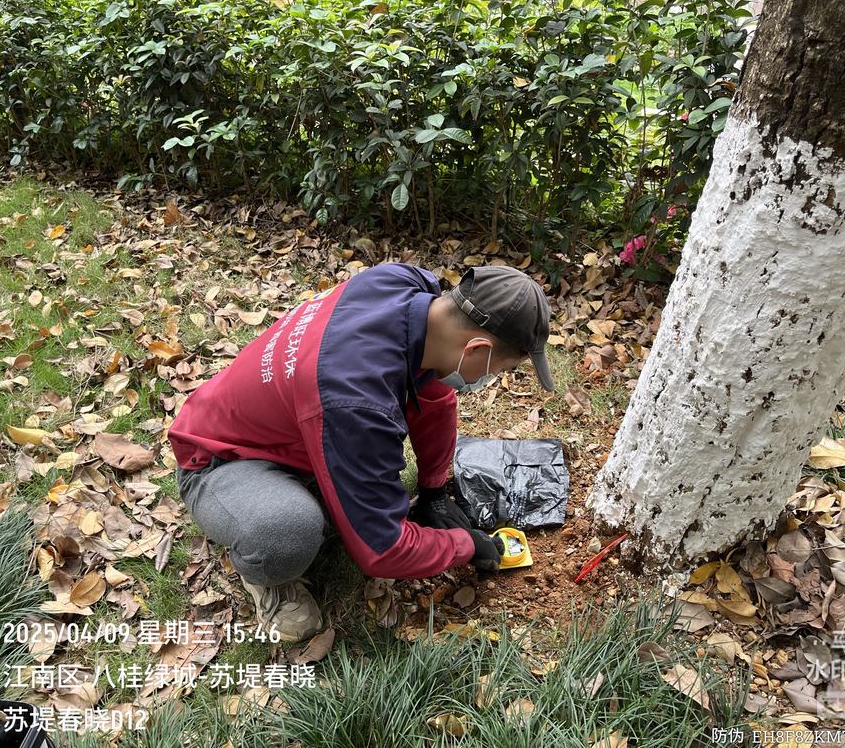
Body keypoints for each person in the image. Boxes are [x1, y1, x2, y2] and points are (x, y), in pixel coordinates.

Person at [168, 262, 555, 642]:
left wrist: (433, 490)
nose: (491, 378)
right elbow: (382, 549)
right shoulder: (355, 401)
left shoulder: (405, 285)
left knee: (344, 492)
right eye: (498, 370)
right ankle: (267, 575)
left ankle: (316, 485)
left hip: (288, 424)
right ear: (476, 349)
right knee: (288, 531)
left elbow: (434, 398)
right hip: (220, 459)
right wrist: (466, 546)